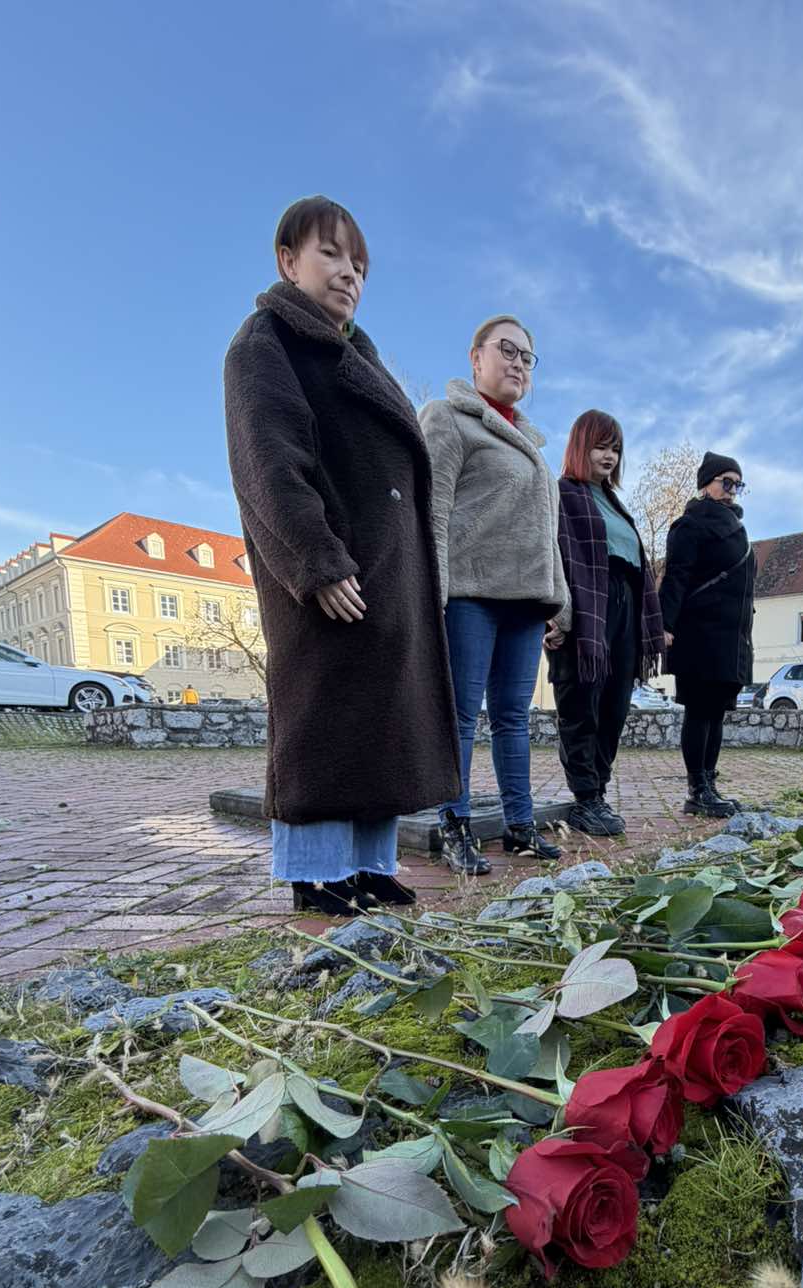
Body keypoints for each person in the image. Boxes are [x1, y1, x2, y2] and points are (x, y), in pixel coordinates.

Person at [224, 196, 460, 917]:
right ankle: (317, 871)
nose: (349, 273)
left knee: (385, 720)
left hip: (387, 575)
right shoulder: (267, 342)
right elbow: (269, 462)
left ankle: (369, 865)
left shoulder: (361, 356)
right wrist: (316, 561)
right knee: (324, 715)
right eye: (331, 254)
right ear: (288, 260)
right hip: (331, 572)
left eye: (359, 263)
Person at [420, 316, 570, 874]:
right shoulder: (447, 418)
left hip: (527, 600)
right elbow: (431, 509)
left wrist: (560, 600)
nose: (518, 363)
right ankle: (454, 825)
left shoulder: (532, 445)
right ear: (475, 356)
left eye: (528, 357)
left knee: (512, 716)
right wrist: (432, 591)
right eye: (507, 350)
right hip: (471, 592)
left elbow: (544, 530)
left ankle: (520, 826)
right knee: (460, 714)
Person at [551, 410, 665, 836]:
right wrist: (553, 611)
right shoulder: (563, 493)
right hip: (584, 611)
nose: (610, 456)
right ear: (581, 447)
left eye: (616, 448)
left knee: (615, 707)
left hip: (624, 611)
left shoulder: (616, 505)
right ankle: (585, 798)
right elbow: (551, 555)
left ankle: (598, 789)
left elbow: (636, 564)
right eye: (601, 446)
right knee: (581, 706)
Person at [657, 452, 755, 818]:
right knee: (699, 712)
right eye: (725, 482)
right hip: (701, 634)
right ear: (706, 484)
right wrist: (664, 625)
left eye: (737, 484)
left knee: (716, 714)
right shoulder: (691, 524)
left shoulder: (736, 526)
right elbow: (676, 577)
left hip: (732, 639)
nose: (731, 491)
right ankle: (697, 789)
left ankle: (710, 784)